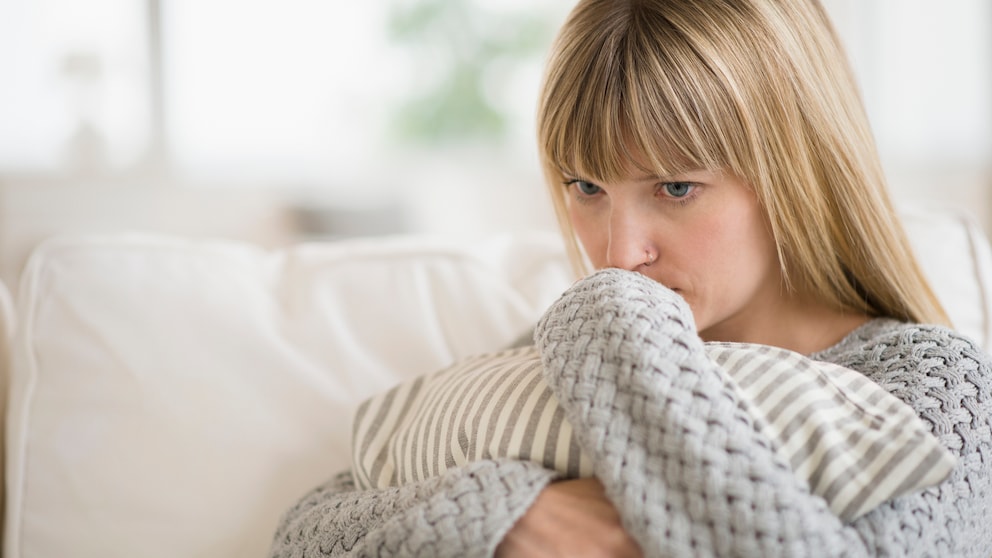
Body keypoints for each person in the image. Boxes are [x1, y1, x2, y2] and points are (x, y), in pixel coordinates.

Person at [269, 0, 992, 556]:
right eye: (586, 187)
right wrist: (509, 516)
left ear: (793, 170)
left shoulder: (937, 387)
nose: (617, 257)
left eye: (675, 188)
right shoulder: (545, 357)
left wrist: (609, 322)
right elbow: (307, 530)